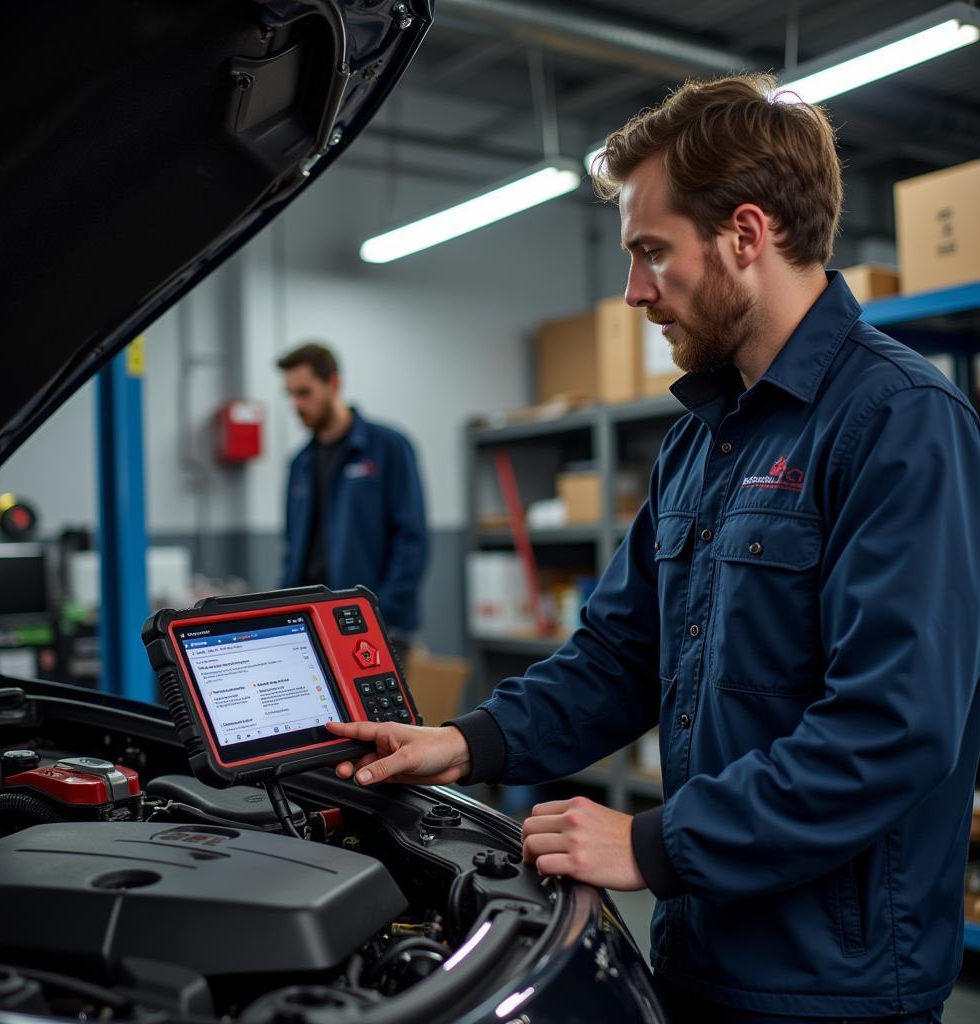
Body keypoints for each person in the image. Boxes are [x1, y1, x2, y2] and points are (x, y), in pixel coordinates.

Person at [327, 74, 980, 1023]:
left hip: (834, 982)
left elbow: (891, 728)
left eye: (650, 253)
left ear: (746, 236)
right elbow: (620, 656)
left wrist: (653, 847)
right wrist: (469, 742)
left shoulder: (900, 422)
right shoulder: (703, 438)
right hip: (700, 941)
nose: (634, 292)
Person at [278, 342, 427, 663]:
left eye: (304, 392)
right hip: (311, 626)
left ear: (333, 383)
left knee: (375, 714)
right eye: (289, 394)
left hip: (375, 625)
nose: (296, 404)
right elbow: (292, 549)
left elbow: (412, 539)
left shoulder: (387, 447)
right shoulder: (300, 464)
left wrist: (382, 612)